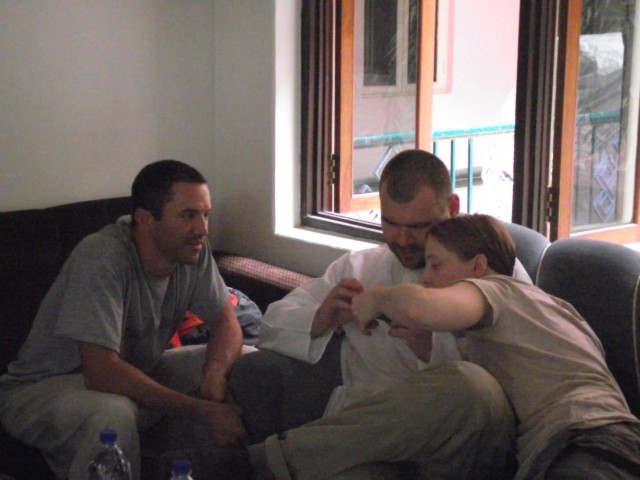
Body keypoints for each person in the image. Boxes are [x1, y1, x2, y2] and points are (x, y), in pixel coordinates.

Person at [230, 149, 528, 478]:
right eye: (390, 223)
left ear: (453, 208)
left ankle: (267, 462)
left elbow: (523, 371)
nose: (402, 239)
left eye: (418, 226)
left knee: (472, 386)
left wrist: (432, 349)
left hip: (457, 440)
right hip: (368, 441)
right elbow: (271, 325)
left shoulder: (494, 271)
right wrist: (321, 317)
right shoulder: (360, 267)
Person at [0, 160, 250, 480]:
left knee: (246, 361)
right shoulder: (102, 255)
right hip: (41, 389)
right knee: (112, 412)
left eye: (205, 215)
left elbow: (227, 324)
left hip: (135, 371)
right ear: (144, 219)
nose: (202, 229)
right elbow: (101, 371)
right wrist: (203, 409)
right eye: (188, 215)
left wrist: (215, 376)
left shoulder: (193, 251)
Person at [351, 214, 640, 479]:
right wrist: (427, 346)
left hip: (583, 444)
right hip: (613, 440)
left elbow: (419, 308)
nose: (426, 277)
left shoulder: (497, 289)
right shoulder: (555, 311)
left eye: (435, 264)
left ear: (478, 266)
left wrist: (378, 297)